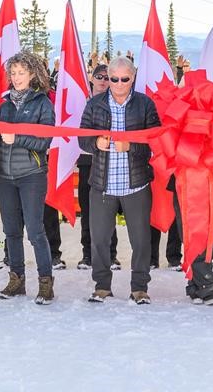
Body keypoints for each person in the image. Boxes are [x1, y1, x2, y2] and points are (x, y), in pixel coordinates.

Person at [78, 56, 159, 304]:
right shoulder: (94, 104)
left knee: (141, 240)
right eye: (114, 79)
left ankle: (140, 288)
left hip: (136, 184)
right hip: (103, 184)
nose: (120, 84)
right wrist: (95, 143)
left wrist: (131, 146)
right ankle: (102, 286)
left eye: (125, 79)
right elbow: (82, 138)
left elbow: (156, 141)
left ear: (133, 78)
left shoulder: (145, 104)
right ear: (108, 79)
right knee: (99, 239)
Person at [0, 52, 57, 305]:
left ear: (32, 74)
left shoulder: (42, 103)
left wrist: (16, 138)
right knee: (11, 231)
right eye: (13, 73)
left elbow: (45, 140)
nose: (16, 78)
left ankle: (45, 282)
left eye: (21, 73)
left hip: (31, 175)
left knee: (35, 231)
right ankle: (16, 280)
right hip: (4, 176)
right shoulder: (5, 105)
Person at [77, 64, 119, 271]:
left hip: (110, 162)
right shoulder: (81, 101)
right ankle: (87, 254)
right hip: (87, 162)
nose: (103, 80)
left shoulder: (117, 102)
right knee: (88, 211)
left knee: (109, 212)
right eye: (99, 77)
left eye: (106, 77)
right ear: (91, 79)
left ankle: (111, 255)